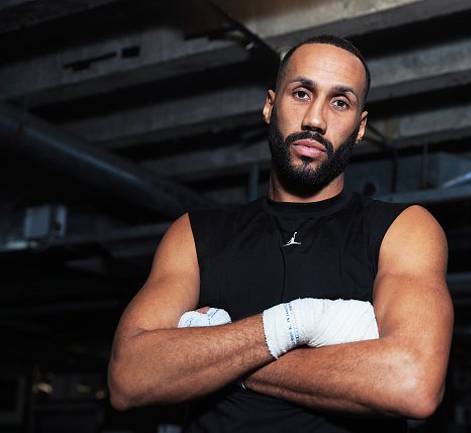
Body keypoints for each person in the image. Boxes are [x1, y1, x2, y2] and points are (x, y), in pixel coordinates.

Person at [108, 35, 453, 433]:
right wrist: (298, 327)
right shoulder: (194, 234)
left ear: (360, 128)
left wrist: (220, 354)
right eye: (302, 93)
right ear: (270, 106)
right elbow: (129, 377)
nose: (315, 120)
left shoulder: (403, 229)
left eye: (340, 102)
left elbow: (413, 383)